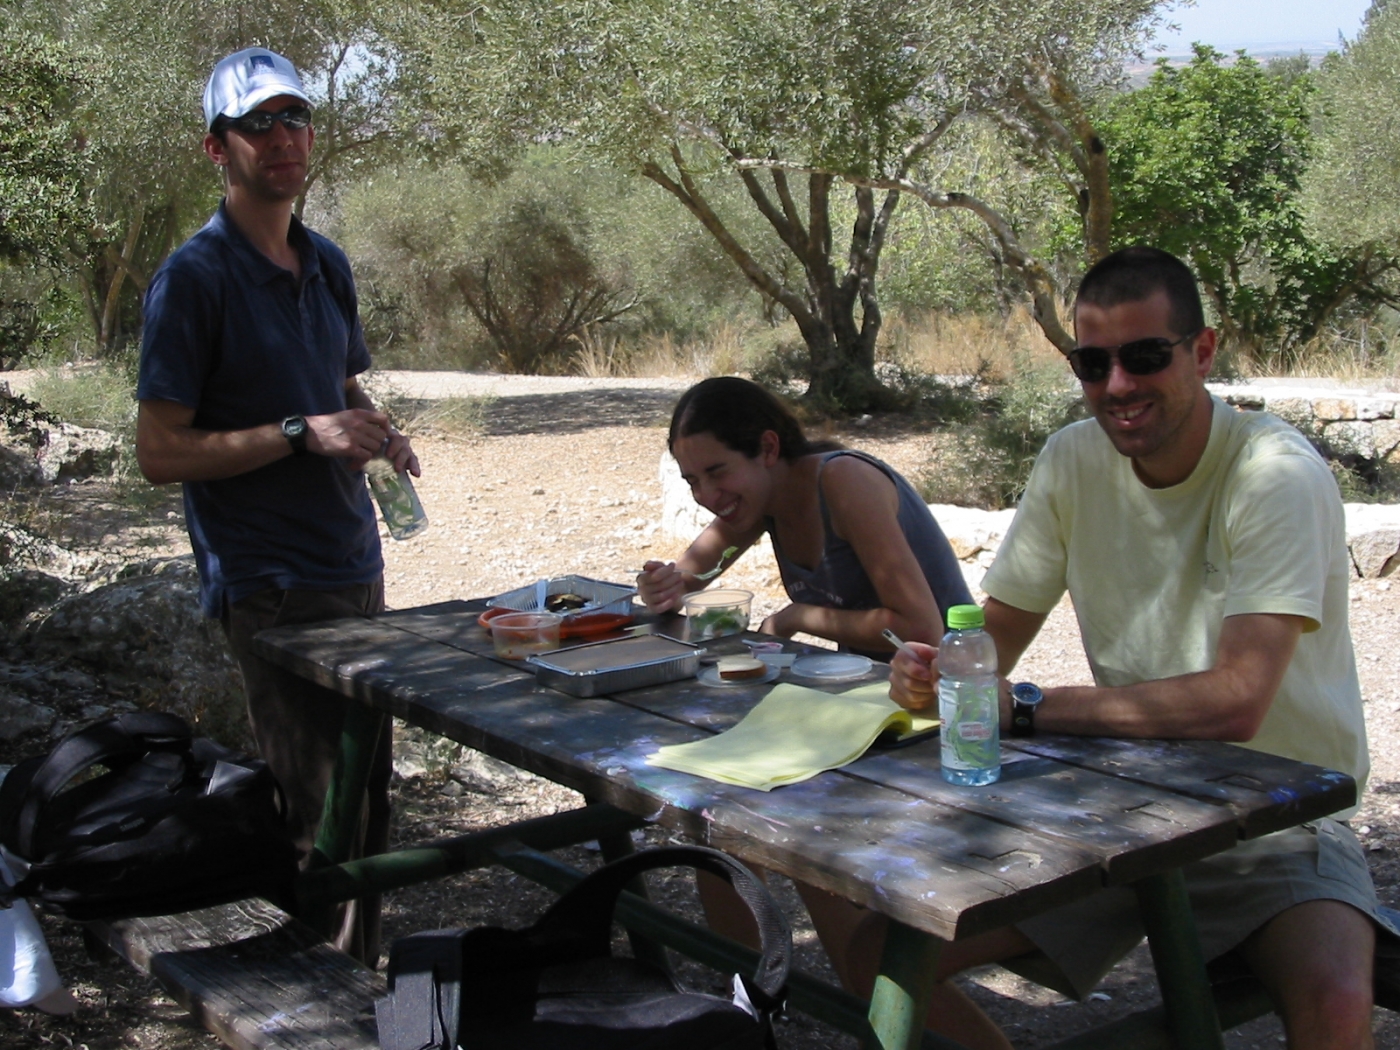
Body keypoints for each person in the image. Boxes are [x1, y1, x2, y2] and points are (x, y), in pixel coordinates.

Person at [865, 245, 1384, 1050]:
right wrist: (939, 672)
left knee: (1338, 1001)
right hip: (1120, 813)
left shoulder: (1275, 472)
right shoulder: (1072, 458)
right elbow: (993, 641)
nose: (1116, 386)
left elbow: (1238, 701)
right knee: (881, 954)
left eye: (1144, 357)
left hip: (1277, 822)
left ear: (1203, 352)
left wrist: (1024, 708)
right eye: (1092, 363)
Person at [134, 47, 418, 966]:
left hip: (354, 561)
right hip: (271, 582)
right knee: (321, 818)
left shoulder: (325, 263)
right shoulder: (194, 280)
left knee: (367, 802)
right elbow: (159, 451)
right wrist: (302, 432)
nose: (282, 137)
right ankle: (330, 1007)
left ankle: (361, 992)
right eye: (257, 123)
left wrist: (376, 432)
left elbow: (339, 386)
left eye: (294, 117)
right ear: (217, 148)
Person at [639, 376, 972, 655]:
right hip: (879, 687)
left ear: (768, 449)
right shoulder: (758, 500)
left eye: (717, 472)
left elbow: (922, 630)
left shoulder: (845, 482)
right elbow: (684, 582)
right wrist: (662, 589)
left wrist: (796, 617)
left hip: (957, 689)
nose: (706, 496)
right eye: (693, 481)